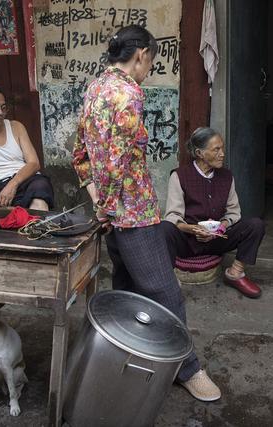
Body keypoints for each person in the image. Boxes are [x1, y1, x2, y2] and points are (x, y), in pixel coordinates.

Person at [72, 25, 221, 402]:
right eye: (151, 61)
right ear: (140, 55)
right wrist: (107, 207)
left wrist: (97, 202)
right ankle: (187, 370)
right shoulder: (128, 92)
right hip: (133, 216)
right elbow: (117, 164)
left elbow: (80, 154)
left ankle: (121, 357)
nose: (148, 69)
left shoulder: (94, 88)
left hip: (112, 215)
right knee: (165, 292)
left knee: (123, 289)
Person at [162, 127, 265, 298]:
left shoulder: (227, 176)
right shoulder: (180, 176)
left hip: (217, 239)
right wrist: (193, 229)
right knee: (164, 228)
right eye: (216, 149)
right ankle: (168, 280)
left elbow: (234, 212)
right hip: (187, 241)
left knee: (256, 225)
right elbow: (173, 216)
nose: (222, 154)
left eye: (222, 148)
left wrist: (221, 228)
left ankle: (235, 273)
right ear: (199, 153)